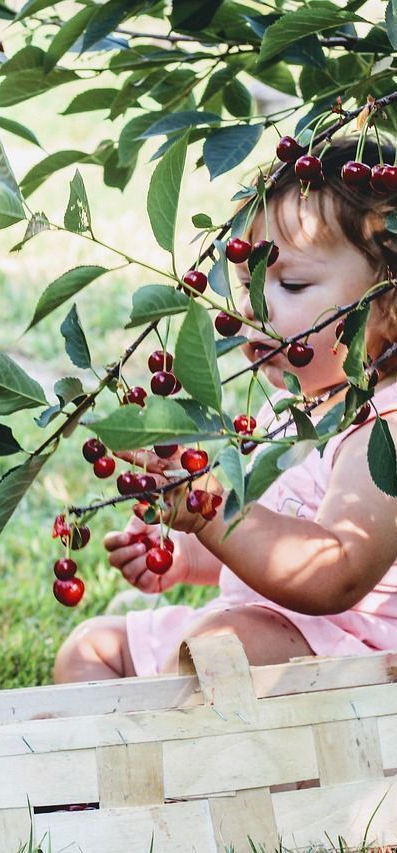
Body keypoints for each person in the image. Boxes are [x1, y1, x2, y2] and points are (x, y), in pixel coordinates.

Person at [54, 136, 397, 683]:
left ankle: (180, 760)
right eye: (245, 283)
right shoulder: (288, 411)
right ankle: (139, 758)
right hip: (256, 625)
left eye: (291, 283)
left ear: (388, 305)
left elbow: (335, 573)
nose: (249, 309)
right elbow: (268, 541)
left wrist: (216, 515)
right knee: (91, 648)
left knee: (213, 654)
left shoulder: (384, 430)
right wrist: (191, 555)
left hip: (349, 655)